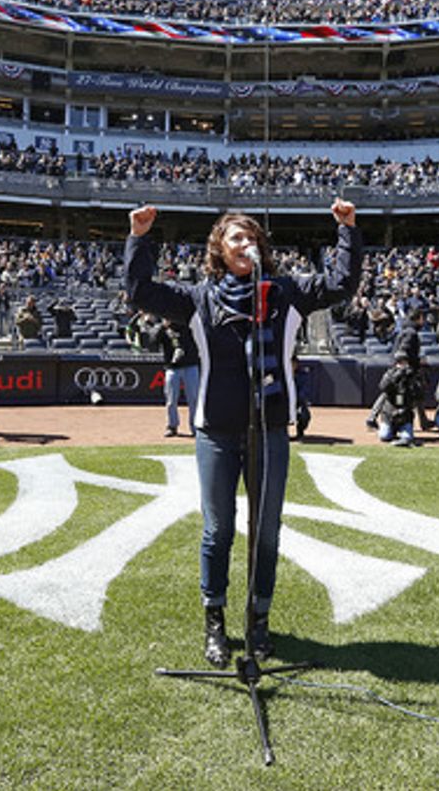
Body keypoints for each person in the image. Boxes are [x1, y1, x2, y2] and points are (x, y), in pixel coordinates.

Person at [125, 199, 360, 669]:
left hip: (269, 430)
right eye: (236, 237)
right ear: (219, 247)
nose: (246, 243)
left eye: (252, 237)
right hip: (215, 432)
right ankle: (215, 622)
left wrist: (347, 231)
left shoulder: (285, 292)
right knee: (218, 531)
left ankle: (259, 621)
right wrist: (139, 238)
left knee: (266, 533)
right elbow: (140, 292)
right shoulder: (198, 299)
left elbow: (340, 283)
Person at [156, 317, 199, 437]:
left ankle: (195, 427)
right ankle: (172, 426)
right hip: (172, 368)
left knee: (194, 399)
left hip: (190, 365)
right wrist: (162, 327)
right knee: (171, 400)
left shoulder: (188, 327)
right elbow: (153, 341)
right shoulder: (165, 330)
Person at [376, 352, 420, 447]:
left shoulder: (411, 375)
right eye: (400, 363)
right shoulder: (389, 373)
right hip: (389, 414)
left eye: (405, 362)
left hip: (405, 416)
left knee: (407, 437)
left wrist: (412, 380)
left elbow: (418, 394)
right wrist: (396, 377)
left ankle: (401, 431)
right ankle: (390, 429)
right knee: (384, 436)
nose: (403, 365)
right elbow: (383, 387)